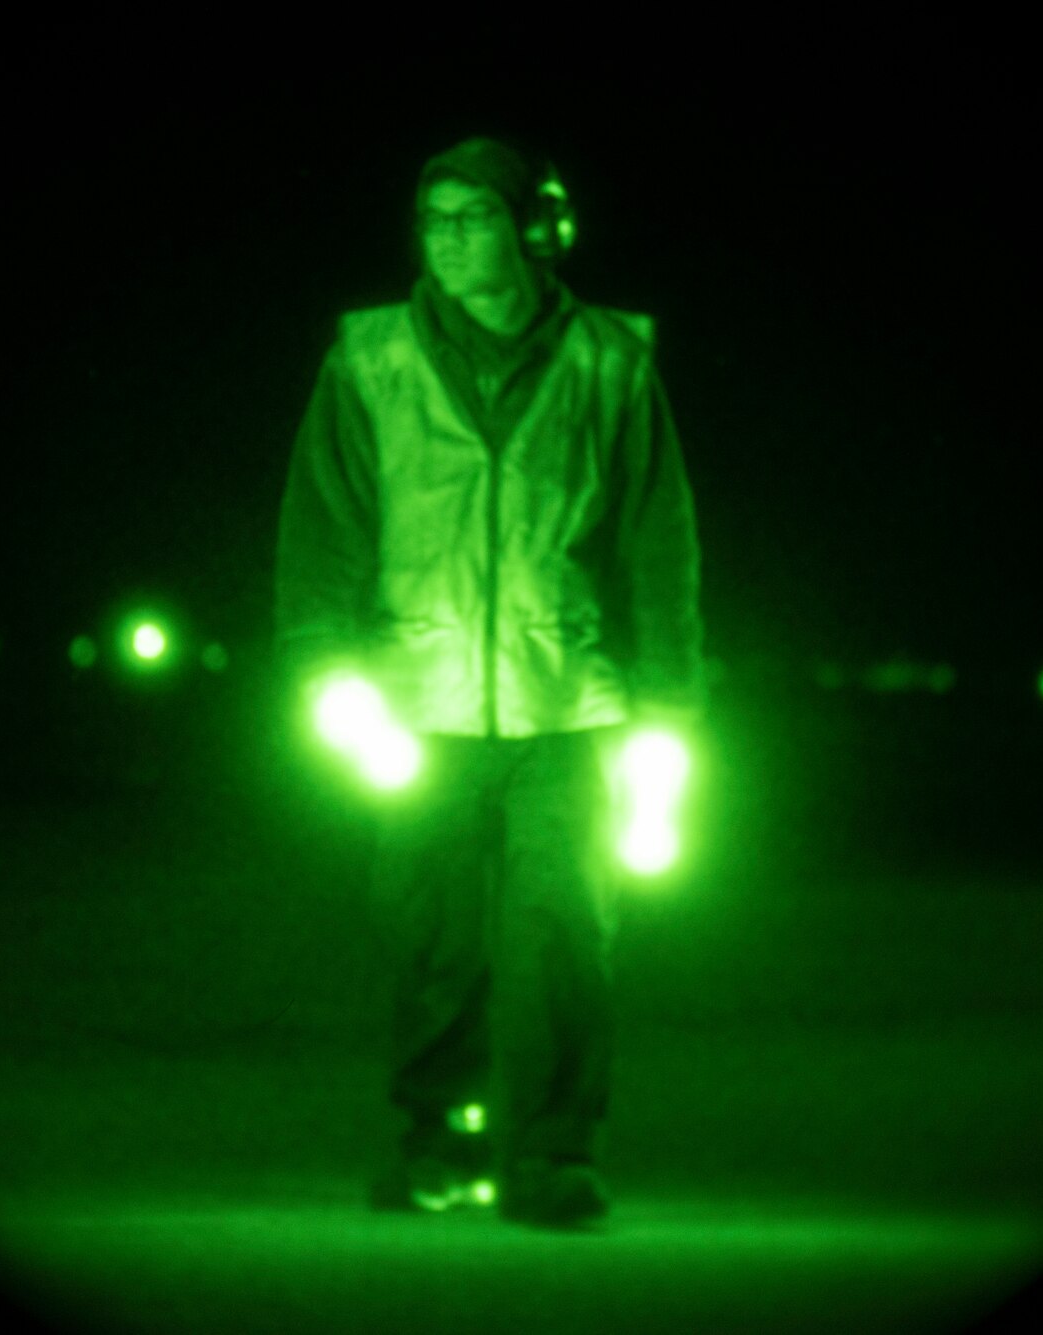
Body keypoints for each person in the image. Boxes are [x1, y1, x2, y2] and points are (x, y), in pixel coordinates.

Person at [273, 136, 706, 1229]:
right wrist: (324, 670)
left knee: (565, 931)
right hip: (411, 706)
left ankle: (554, 1154)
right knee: (430, 936)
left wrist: (669, 707)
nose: (451, 237)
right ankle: (443, 1146)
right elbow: (322, 531)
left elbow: (657, 546)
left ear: (536, 229)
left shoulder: (612, 362)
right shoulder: (365, 360)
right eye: (435, 219)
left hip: (571, 703)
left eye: (474, 217)